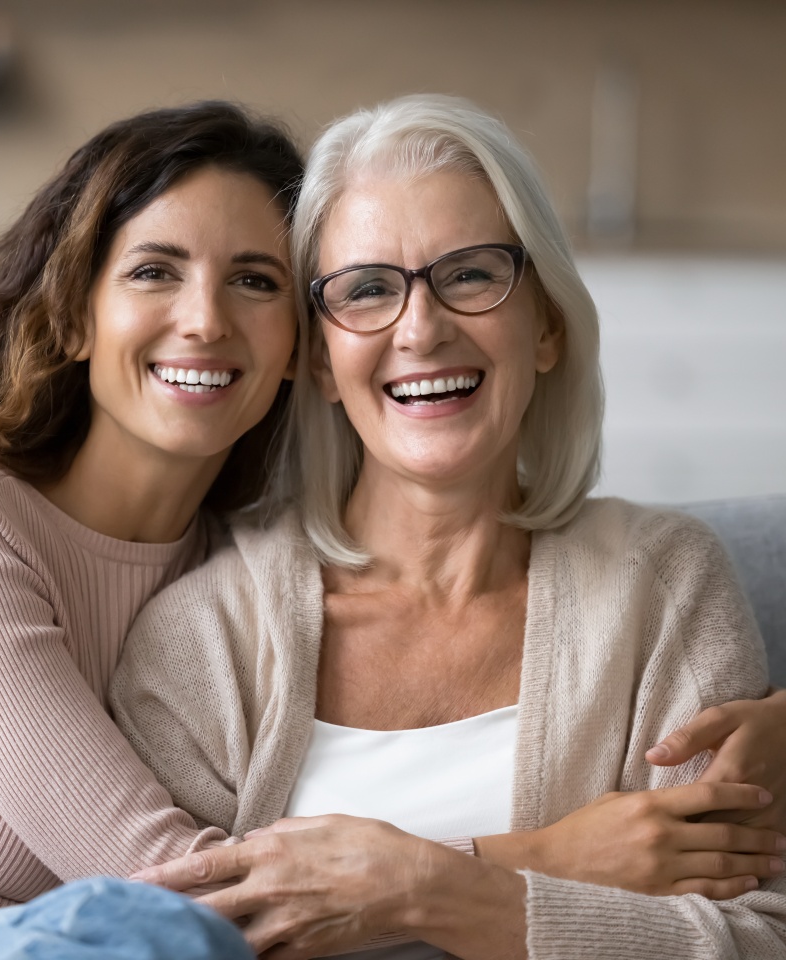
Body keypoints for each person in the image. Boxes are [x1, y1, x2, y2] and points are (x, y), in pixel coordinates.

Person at [111, 94, 786, 959]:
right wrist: (523, 874)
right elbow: (151, 937)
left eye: (469, 273)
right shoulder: (202, 638)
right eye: (367, 290)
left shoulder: (661, 585)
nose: (421, 329)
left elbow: (754, 937)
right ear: (319, 358)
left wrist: (429, 890)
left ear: (544, 324)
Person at [0, 100, 303, 944]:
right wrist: (521, 869)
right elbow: (159, 874)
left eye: (255, 280)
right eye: (155, 271)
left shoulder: (256, 571)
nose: (205, 320)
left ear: (299, 344)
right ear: (77, 317)